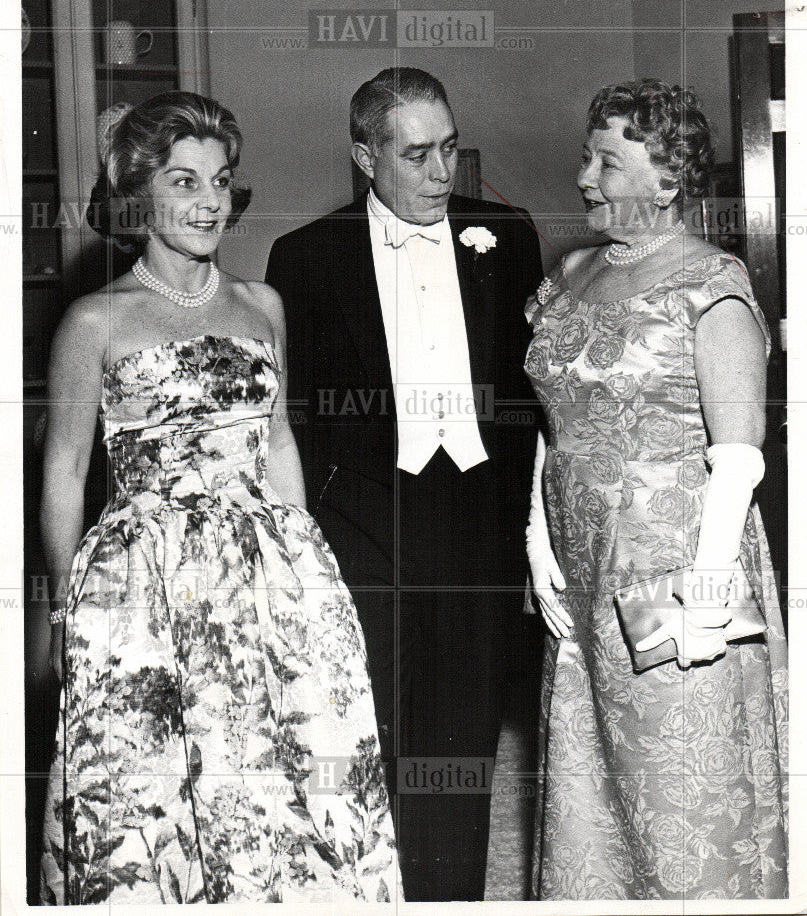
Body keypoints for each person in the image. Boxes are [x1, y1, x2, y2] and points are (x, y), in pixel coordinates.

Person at [39, 91, 399, 904]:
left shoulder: (260, 305)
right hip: (145, 585)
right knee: (144, 789)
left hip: (266, 576)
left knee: (289, 777)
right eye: (182, 181)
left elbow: (276, 442)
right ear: (140, 192)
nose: (207, 202)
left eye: (220, 181)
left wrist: (309, 573)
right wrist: (64, 611)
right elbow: (63, 471)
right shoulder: (95, 321)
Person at [265, 67, 542, 901]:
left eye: (450, 149)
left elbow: (532, 393)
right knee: (363, 740)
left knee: (460, 751)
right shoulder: (306, 256)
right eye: (416, 155)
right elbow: (296, 421)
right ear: (364, 156)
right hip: (366, 525)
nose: (441, 174)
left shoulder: (508, 233)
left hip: (476, 520)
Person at [524, 79, 788, 899]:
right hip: (582, 557)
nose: (585, 178)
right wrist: (536, 543)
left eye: (608, 162)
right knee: (591, 769)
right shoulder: (568, 274)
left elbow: (740, 454)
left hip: (674, 564)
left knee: (677, 781)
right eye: (586, 156)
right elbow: (552, 424)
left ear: (668, 179)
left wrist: (709, 586)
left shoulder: (711, 284)